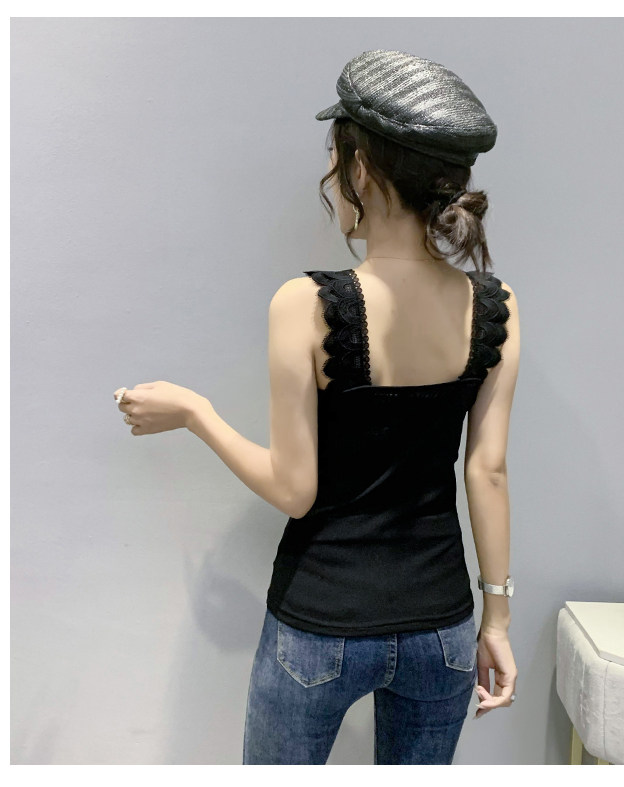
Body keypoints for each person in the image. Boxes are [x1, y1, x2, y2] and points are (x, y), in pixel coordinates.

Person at [112, 49, 520, 765]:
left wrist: (197, 412)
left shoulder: (305, 304)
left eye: (336, 155)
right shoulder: (497, 306)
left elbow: (294, 491)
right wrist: (498, 620)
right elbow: (486, 472)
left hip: (321, 623)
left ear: (360, 168)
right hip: (443, 628)